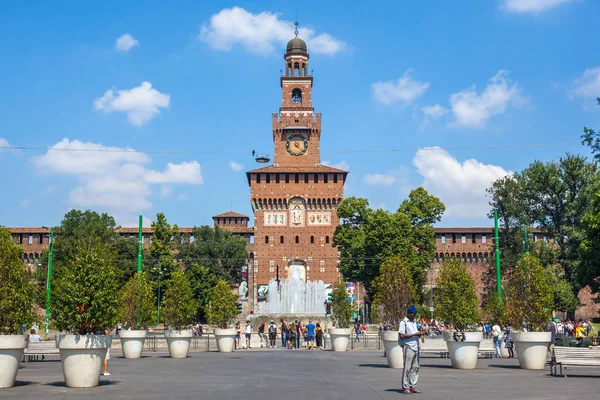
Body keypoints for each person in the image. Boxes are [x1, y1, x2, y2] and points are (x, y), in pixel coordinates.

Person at [399, 305, 423, 394]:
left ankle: (412, 385)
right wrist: (414, 334)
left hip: (416, 346)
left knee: (415, 367)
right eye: (413, 315)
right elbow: (401, 335)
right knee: (407, 368)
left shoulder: (414, 322)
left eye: (415, 315)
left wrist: (419, 334)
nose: (414, 316)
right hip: (408, 346)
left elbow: (415, 333)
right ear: (408, 314)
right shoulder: (403, 322)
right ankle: (405, 387)